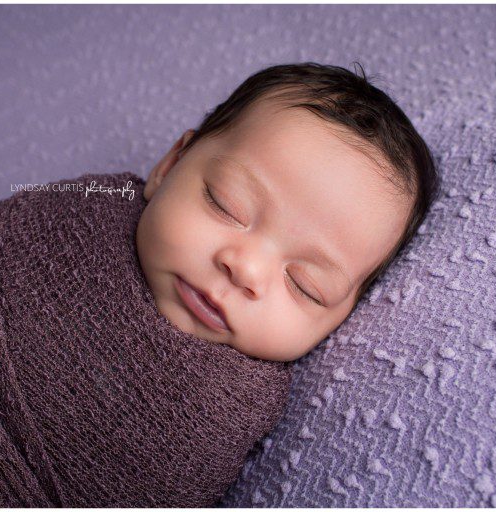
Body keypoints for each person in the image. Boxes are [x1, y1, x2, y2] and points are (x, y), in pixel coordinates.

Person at [136, 62, 441, 361]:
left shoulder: (243, 402)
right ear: (171, 165)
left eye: (304, 285)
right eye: (225, 205)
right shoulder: (93, 206)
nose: (246, 270)